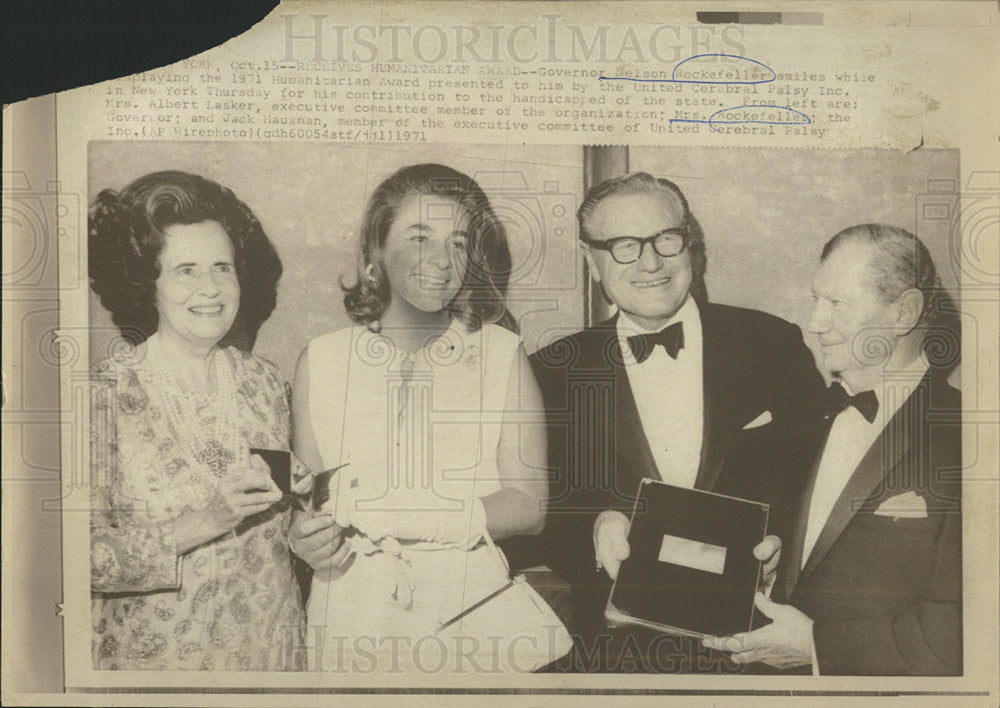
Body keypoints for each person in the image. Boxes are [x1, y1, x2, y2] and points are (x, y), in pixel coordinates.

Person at [528, 172, 826, 672]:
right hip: (617, 659)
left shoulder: (772, 342)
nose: (650, 263)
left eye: (665, 239)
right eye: (624, 245)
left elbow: (819, 478)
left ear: (690, 244)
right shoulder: (552, 371)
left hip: (760, 652)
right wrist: (595, 533)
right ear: (591, 260)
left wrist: (783, 552)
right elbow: (542, 516)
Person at [290, 163, 549, 672]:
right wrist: (305, 540)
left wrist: (406, 518)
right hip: (350, 610)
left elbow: (529, 506)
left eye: (458, 243)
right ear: (376, 252)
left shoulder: (501, 353)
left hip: (467, 609)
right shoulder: (319, 359)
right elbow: (309, 502)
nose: (442, 261)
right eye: (419, 237)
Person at [704, 224, 962, 675]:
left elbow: (964, 629)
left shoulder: (970, 439)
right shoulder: (794, 425)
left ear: (904, 313)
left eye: (837, 303)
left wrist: (821, 650)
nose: (814, 324)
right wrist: (760, 577)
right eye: (815, 300)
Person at [88, 170, 305, 670]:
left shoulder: (265, 382)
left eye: (221, 268)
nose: (210, 288)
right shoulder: (102, 395)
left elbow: (283, 516)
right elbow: (79, 556)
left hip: (272, 651)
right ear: (147, 282)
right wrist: (207, 519)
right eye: (185, 269)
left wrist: (306, 500)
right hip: (161, 662)